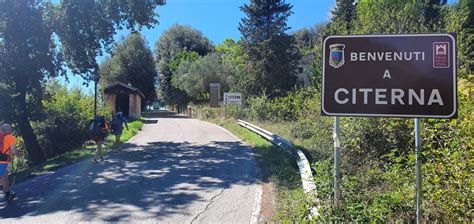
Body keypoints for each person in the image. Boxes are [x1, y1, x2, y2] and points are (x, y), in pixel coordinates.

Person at [0, 124, 19, 200]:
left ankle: (8, 193)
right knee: (3, 177)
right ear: (10, 130)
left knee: (4, 177)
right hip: (2, 160)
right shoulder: (10, 137)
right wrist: (18, 154)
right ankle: (8, 193)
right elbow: (14, 151)